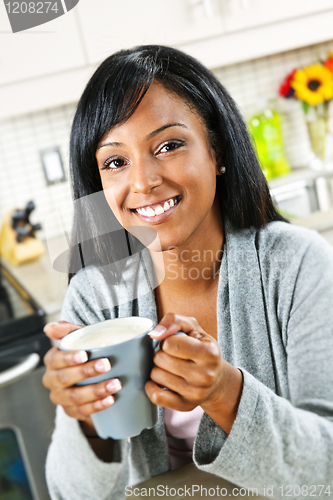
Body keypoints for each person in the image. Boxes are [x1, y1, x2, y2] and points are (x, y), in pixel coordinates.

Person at [42, 45, 333, 500]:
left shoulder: (296, 265)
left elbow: (327, 475)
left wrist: (225, 394)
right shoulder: (94, 297)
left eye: (168, 145)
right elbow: (69, 494)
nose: (143, 182)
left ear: (216, 149)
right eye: (116, 162)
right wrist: (86, 424)